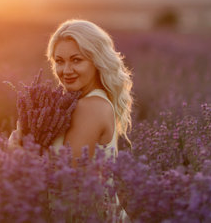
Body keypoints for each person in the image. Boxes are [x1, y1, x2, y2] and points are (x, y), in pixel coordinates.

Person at [9, 19, 133, 222]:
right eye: (59, 61)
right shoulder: (82, 103)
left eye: (77, 60)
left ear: (97, 61)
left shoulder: (91, 107)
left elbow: (65, 180)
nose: (66, 71)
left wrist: (17, 155)